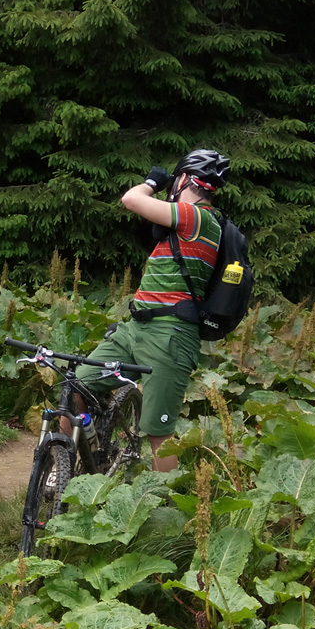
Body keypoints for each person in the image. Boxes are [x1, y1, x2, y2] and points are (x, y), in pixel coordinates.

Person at [74, 149, 231, 472]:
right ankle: (68, 462)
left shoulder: (196, 216)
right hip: (136, 327)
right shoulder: (188, 221)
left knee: (159, 432)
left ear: (184, 179)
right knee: (75, 386)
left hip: (170, 335)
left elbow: (131, 199)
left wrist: (151, 182)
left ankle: (167, 500)